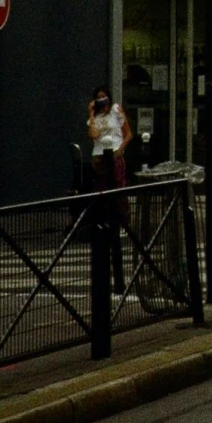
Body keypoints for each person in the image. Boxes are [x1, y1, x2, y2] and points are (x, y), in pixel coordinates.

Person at [86, 85, 133, 292]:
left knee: (119, 188)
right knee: (102, 191)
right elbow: (94, 135)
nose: (103, 101)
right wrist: (91, 113)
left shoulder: (116, 111)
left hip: (115, 155)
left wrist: (120, 150)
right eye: (99, 99)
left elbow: (128, 133)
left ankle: (121, 221)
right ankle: (105, 223)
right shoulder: (94, 118)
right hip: (99, 157)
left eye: (104, 97)